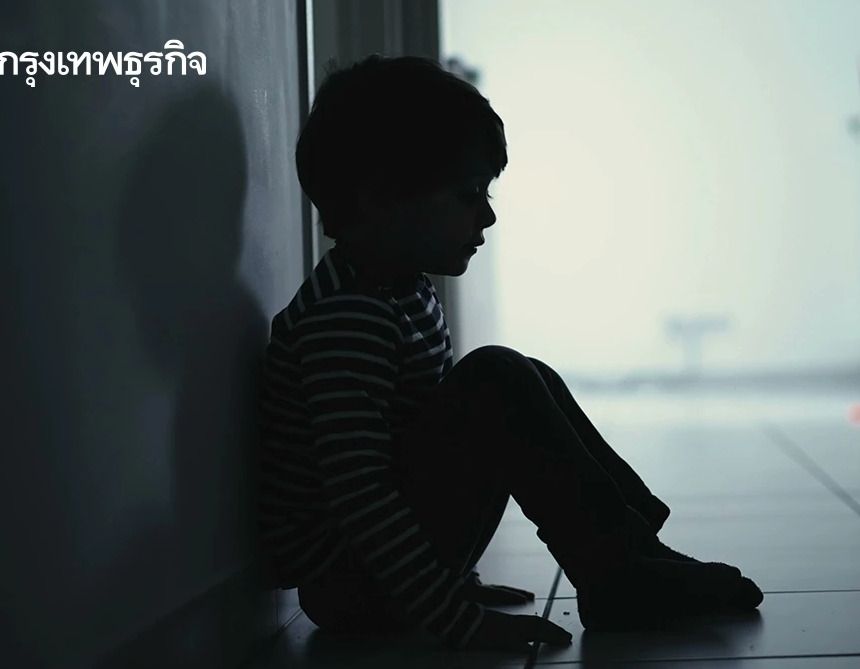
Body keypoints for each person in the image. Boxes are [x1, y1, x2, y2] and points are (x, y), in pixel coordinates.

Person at [257, 54, 763, 654]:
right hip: (354, 587)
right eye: (468, 194)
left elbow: (419, 447)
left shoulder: (402, 291)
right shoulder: (347, 317)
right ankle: (619, 572)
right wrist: (456, 619)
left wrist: (459, 577)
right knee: (496, 377)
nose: (488, 214)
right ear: (380, 199)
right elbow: (362, 495)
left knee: (524, 375)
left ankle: (631, 555)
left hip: (382, 574)